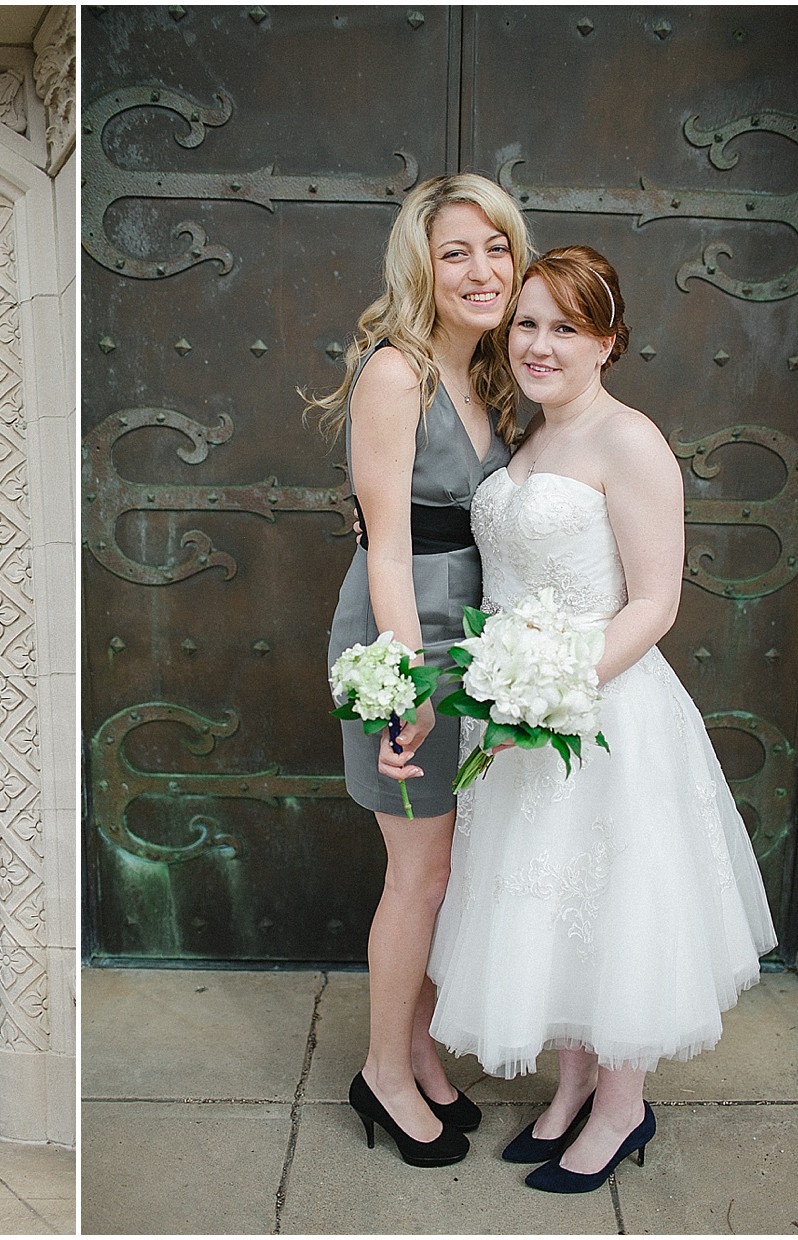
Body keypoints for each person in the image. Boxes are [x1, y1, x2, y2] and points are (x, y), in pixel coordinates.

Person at [429, 247, 776, 1192]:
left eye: (565, 329)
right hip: (516, 719)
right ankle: (570, 1084)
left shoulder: (631, 441)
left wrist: (549, 692)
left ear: (608, 342)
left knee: (614, 905)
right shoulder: (528, 439)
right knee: (553, 903)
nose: (539, 345)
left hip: (600, 714)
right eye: (528, 323)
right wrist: (503, 693)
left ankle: (623, 1108)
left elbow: (655, 603)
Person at [307, 172, 532, 1167]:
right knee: (417, 873)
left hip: (473, 637)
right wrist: (401, 688)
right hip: (403, 636)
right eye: (455, 252)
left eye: (495, 248)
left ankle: (418, 1050)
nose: (480, 270)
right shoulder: (394, 373)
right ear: (420, 267)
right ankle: (381, 1073)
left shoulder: (486, 372)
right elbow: (388, 551)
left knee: (444, 871)